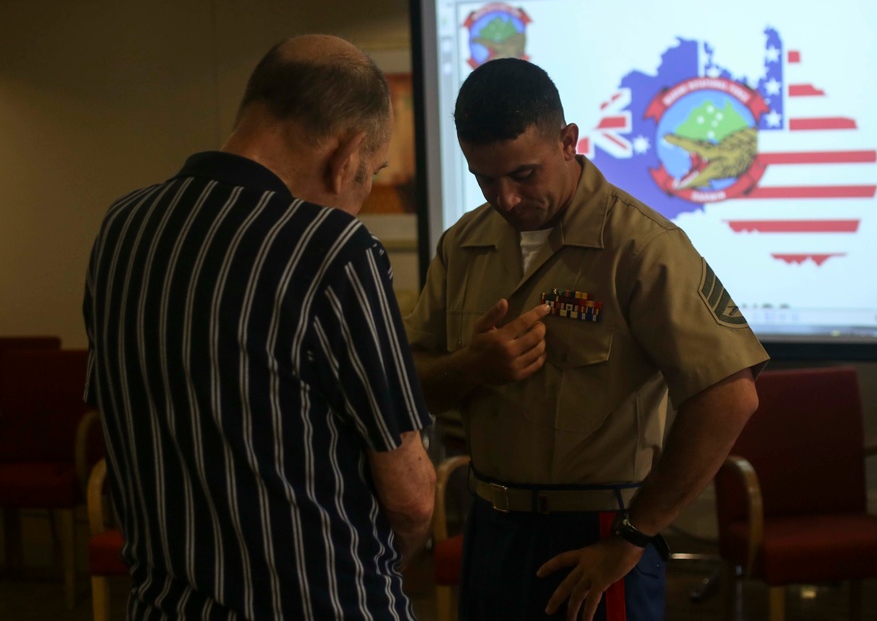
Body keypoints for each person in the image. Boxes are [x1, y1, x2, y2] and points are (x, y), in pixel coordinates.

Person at [83, 35, 436, 620]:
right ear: (345, 156)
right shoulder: (332, 247)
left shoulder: (122, 229)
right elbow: (412, 499)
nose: (361, 190)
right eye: (370, 173)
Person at [404, 58, 769, 621]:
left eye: (523, 175)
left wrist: (632, 537)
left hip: (598, 533)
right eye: (484, 179)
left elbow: (731, 395)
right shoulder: (463, 245)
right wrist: (470, 366)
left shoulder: (642, 246)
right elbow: (413, 382)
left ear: (569, 141)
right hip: (491, 525)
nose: (504, 199)